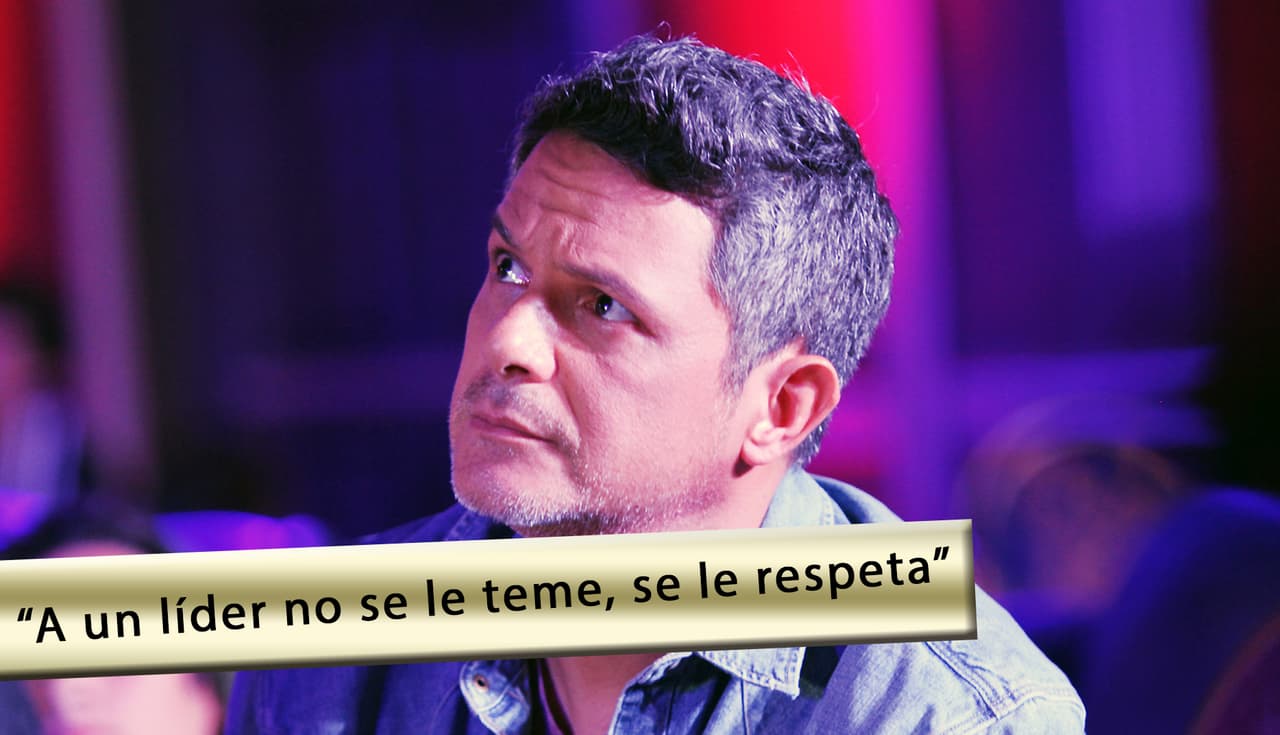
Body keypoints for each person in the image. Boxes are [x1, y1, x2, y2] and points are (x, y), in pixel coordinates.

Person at [228, 35, 1085, 733]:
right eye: (508, 267)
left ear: (781, 406)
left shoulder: (948, 717)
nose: (509, 340)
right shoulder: (322, 660)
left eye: (603, 305)